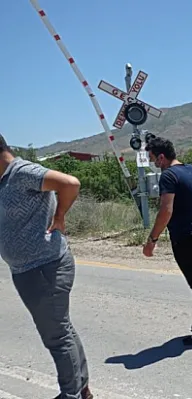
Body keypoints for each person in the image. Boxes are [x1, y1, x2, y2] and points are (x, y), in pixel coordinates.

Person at [0, 135, 93, 399]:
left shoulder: (21, 172)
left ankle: (71, 394)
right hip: (27, 269)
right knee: (61, 329)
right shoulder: (5, 179)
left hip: (44, 267)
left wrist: (59, 216)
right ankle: (81, 389)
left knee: (56, 337)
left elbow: (70, 184)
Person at [142, 136, 192, 346]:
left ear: (161, 157)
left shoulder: (168, 175)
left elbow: (166, 211)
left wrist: (152, 239)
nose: (153, 164)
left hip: (185, 236)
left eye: (153, 159)